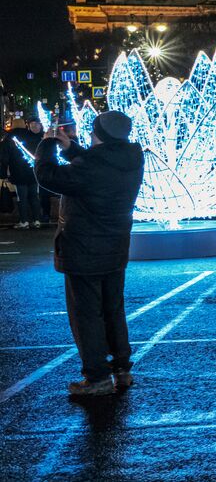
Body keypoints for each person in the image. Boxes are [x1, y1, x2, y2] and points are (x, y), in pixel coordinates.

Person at [34, 111, 143, 397]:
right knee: (113, 310)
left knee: (87, 316)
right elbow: (98, 164)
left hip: (84, 250)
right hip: (115, 248)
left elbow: (47, 176)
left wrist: (47, 144)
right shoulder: (131, 159)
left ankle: (96, 377)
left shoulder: (90, 168)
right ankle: (122, 370)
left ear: (98, 134)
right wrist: (71, 148)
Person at [2, 116, 48, 228]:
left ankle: (24, 221)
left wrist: (4, 172)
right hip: (33, 171)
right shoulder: (31, 136)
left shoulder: (9, 138)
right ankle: (37, 220)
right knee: (34, 196)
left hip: (18, 172)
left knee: (21, 197)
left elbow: (4, 157)